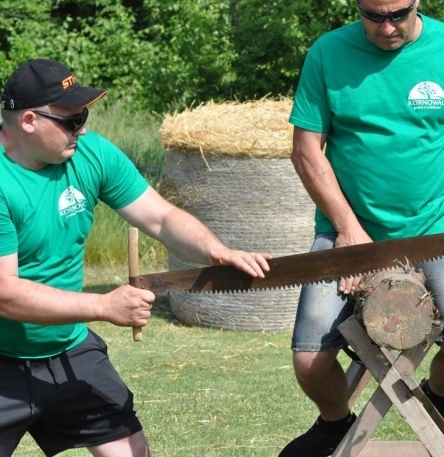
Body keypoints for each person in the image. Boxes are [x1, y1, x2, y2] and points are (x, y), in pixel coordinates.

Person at [281, 0, 444, 456]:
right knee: (309, 359)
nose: (386, 27)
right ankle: (336, 423)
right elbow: (305, 150)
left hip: (434, 231)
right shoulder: (327, 53)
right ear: (357, 1)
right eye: (373, 15)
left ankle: (440, 397)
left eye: (398, 14)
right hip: (347, 231)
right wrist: (347, 227)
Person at [0, 59, 273, 457]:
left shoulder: (89, 154)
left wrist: (216, 250)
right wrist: (103, 305)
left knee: (131, 452)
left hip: (69, 348)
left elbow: (161, 218)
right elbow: (5, 293)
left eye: (85, 116)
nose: (84, 129)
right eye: (72, 120)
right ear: (28, 121)